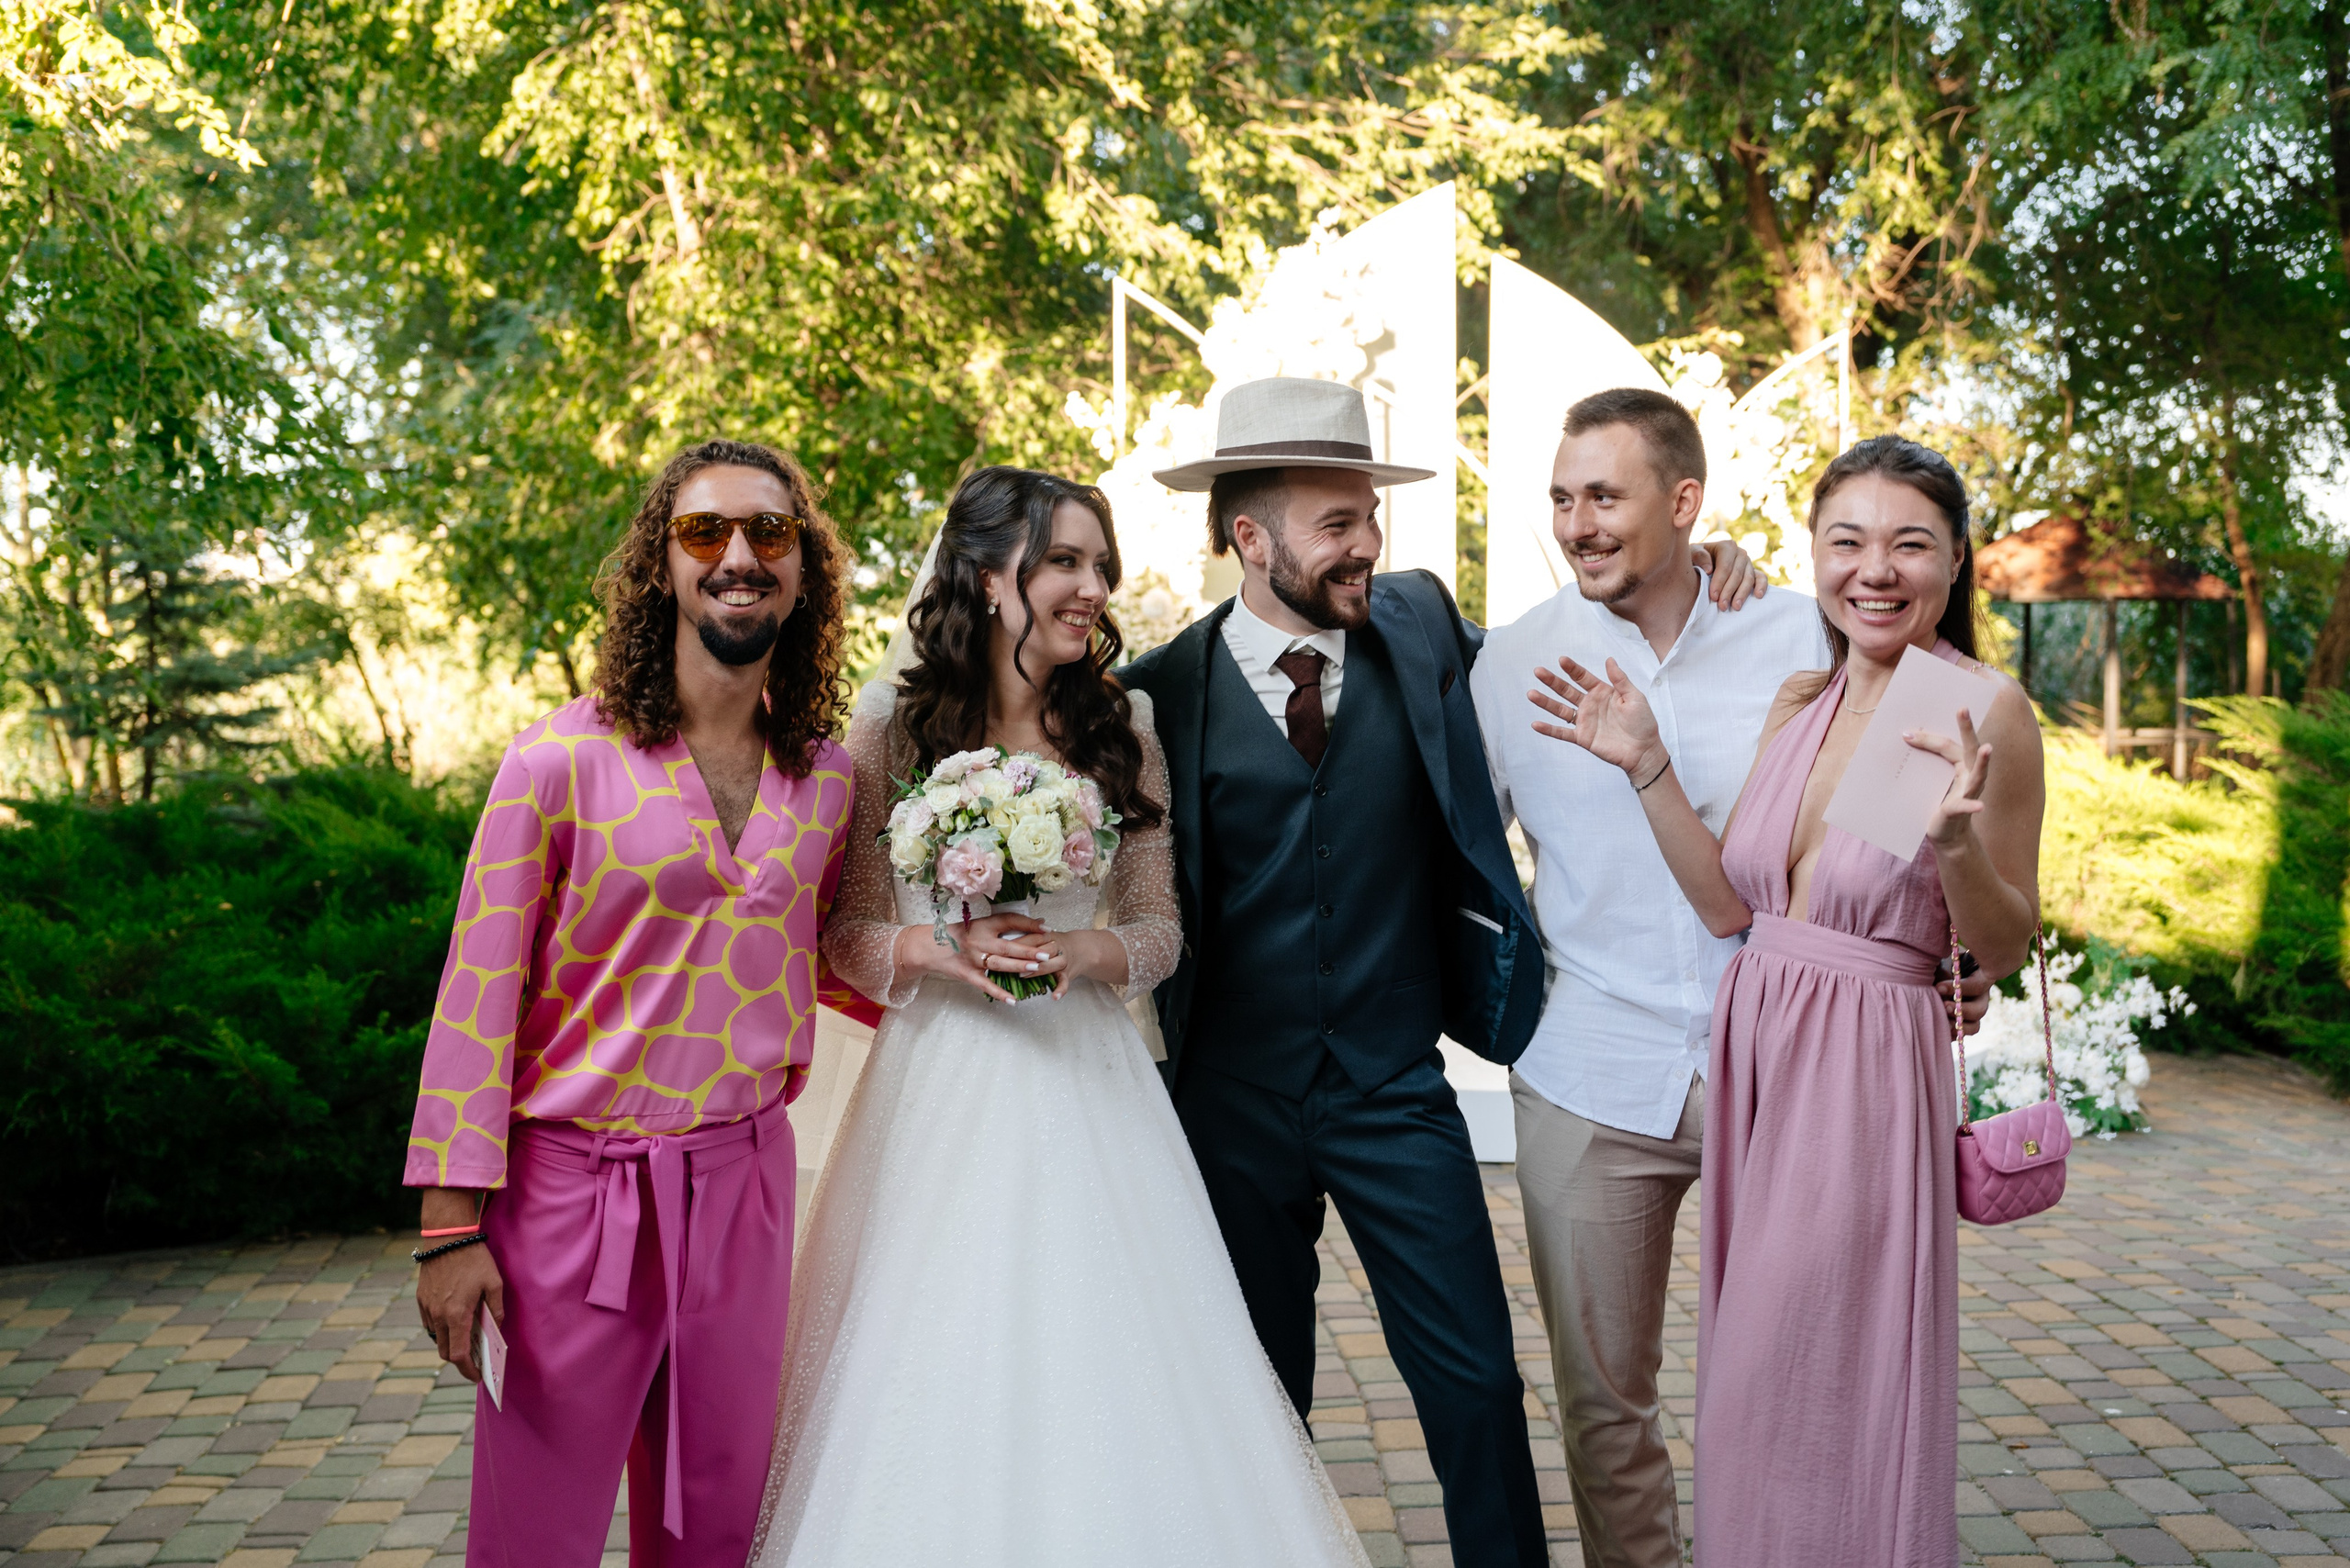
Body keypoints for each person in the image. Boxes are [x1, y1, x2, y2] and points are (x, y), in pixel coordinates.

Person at [1119, 375, 1762, 1568]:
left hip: (1393, 1086)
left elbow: (1574, 634)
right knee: (1260, 1395)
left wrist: (1702, 559)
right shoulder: (1157, 694)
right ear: (1250, 537)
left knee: (1475, 1383)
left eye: (1372, 515)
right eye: (1337, 524)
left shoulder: (1416, 626)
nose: (1367, 545)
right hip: (1229, 1098)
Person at [750, 465, 1371, 1567]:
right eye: (1064, 562)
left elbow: (1157, 929)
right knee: (933, 1353)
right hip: (939, 1085)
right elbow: (846, 935)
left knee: (1116, 1349)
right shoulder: (894, 724)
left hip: (1091, 1082)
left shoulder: (1123, 720)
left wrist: (1084, 953)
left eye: (1100, 564)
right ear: (991, 579)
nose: (1091, 587)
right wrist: (942, 949)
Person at [1529, 434, 2044, 1568]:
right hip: (1759, 1058)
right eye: (1847, 540)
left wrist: (1954, 846)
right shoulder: (1803, 698)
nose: (1876, 570)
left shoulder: (1968, 705)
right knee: (1754, 1391)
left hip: (1860, 1074)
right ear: (1813, 553)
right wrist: (1645, 763)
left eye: (1910, 544)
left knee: (1807, 1371)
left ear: (1956, 559)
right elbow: (1732, 905)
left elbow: (2004, 940)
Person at [405, 439, 856, 1568]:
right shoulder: (556, 761)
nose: (739, 555)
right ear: (662, 564)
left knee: (719, 1525)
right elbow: (478, 996)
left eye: (769, 531)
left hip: (743, 1192)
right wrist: (449, 1229)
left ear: (804, 567)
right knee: (536, 1535)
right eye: (705, 531)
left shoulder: (827, 778)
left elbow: (827, 959)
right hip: (573, 1200)